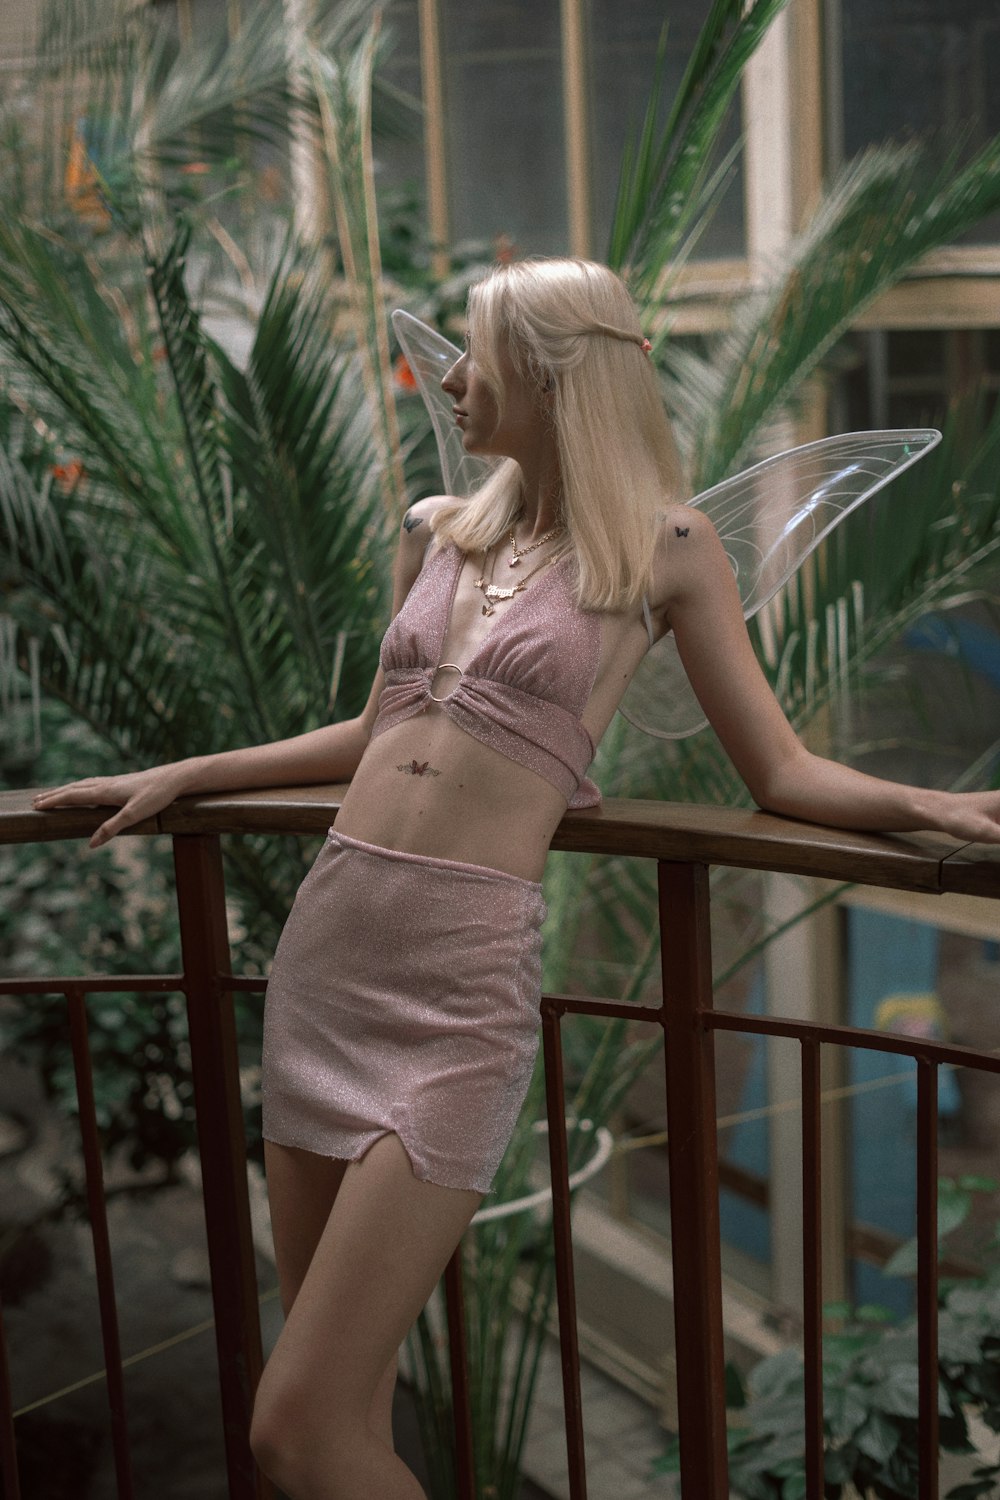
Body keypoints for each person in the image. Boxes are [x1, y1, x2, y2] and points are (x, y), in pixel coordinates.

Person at [30, 257, 1000, 1499]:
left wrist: (941, 809)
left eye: (474, 354)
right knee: (346, 1413)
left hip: (454, 994)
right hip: (327, 960)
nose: (447, 376)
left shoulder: (670, 546)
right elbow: (374, 734)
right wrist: (185, 774)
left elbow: (783, 771)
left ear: (552, 375)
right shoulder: (441, 528)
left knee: (293, 1430)